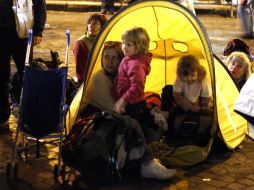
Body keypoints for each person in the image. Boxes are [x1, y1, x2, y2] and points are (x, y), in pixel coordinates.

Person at [112, 27, 176, 180]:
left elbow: (137, 87)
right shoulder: (129, 59)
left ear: (139, 46)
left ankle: (148, 164)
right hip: (134, 104)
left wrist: (122, 100)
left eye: (129, 45)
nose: (124, 47)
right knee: (137, 128)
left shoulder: (136, 64)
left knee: (136, 133)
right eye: (123, 43)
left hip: (133, 105)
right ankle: (152, 115)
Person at [0, 0, 46, 129]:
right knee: (1, 75)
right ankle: (2, 116)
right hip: (1, 33)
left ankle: (28, 114)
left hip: (23, 33)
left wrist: (38, 30)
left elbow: (39, 6)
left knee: (26, 74)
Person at [80, 41, 124, 116]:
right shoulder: (99, 79)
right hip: (89, 118)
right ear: (102, 59)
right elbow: (115, 109)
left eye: (115, 58)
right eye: (107, 57)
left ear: (121, 60)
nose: (110, 62)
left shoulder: (115, 75)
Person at [74, 13, 108, 84]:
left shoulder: (105, 41)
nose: (91, 26)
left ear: (102, 27)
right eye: (90, 23)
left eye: (95, 24)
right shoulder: (81, 43)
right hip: (88, 82)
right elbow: (80, 71)